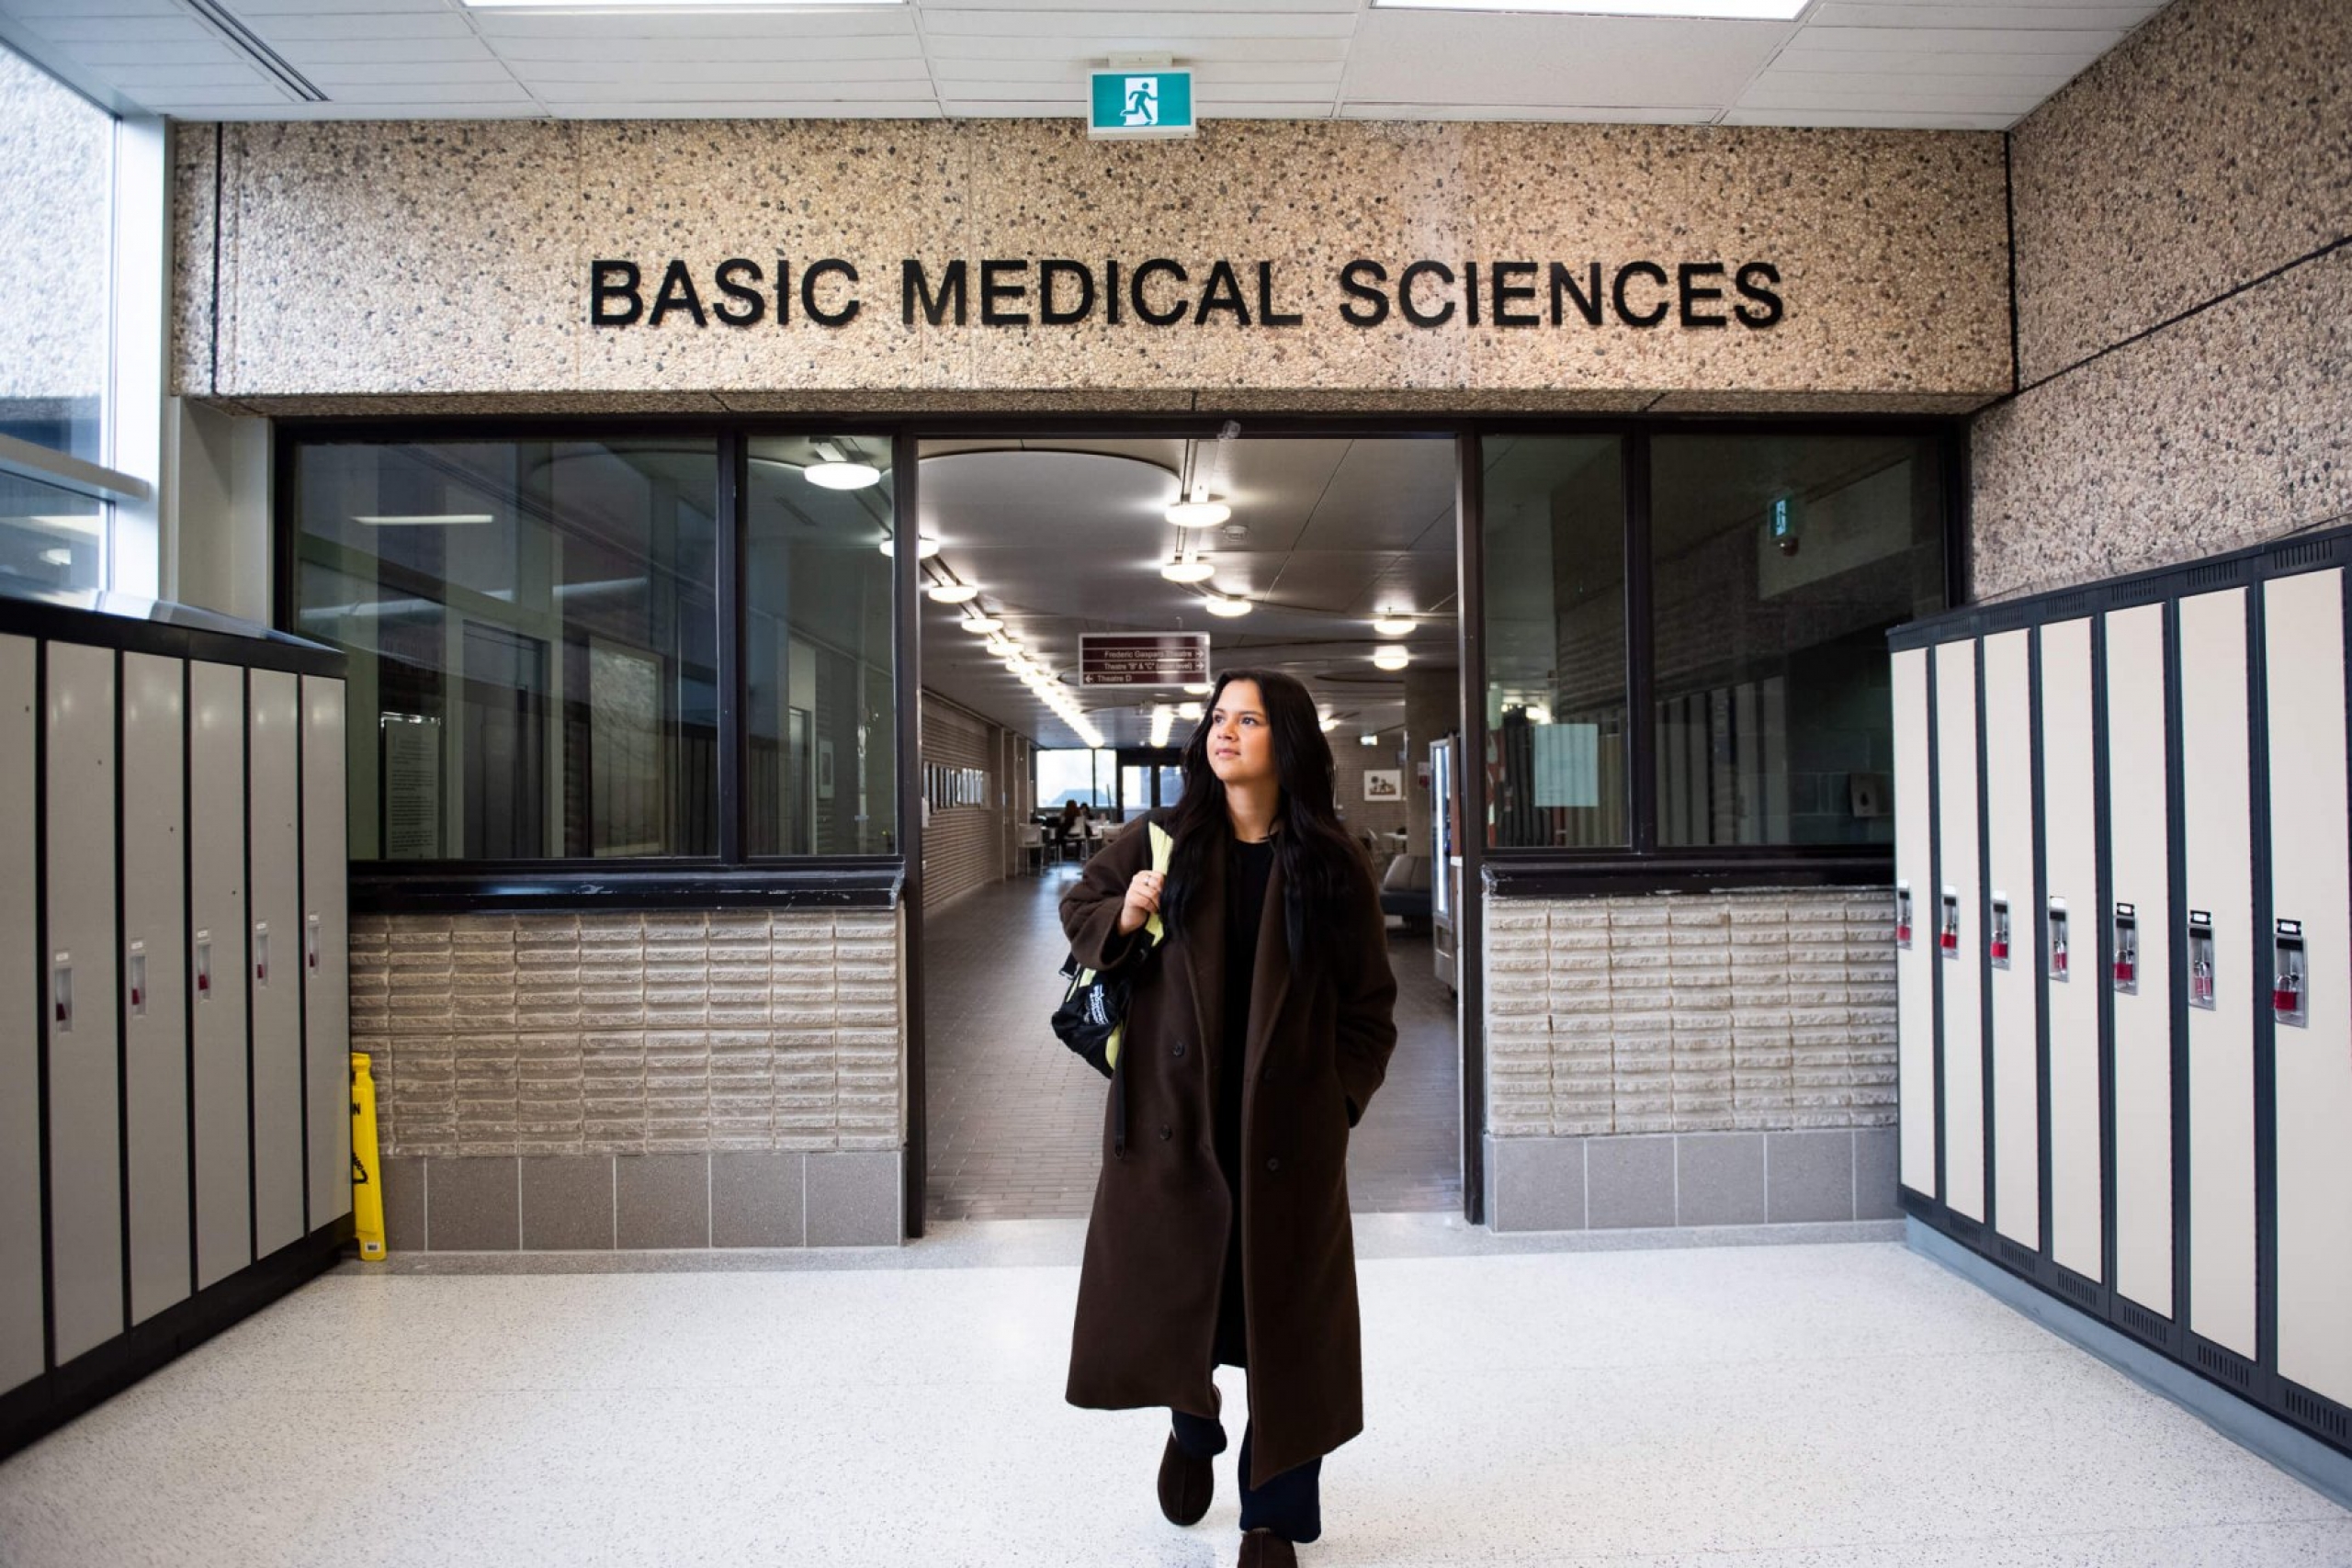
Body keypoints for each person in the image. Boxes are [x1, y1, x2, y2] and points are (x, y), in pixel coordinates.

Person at [1058, 670, 1398, 1568]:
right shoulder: (1163, 842)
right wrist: (1124, 912)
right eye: (1218, 717)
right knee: (1189, 1298)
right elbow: (1077, 905)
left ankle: (1272, 1517)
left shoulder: (1331, 866)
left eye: (1247, 719)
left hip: (1289, 1139)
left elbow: (1370, 1009)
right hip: (1178, 1124)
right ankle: (1193, 1425)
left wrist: (1340, 1101)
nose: (1225, 731)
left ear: (1285, 744)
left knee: (1289, 1326)